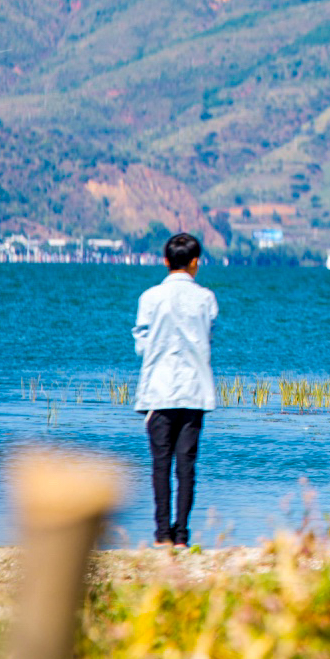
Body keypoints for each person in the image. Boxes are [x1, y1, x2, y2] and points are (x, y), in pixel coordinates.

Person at [133, 232, 218, 547]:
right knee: (186, 465)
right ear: (196, 262)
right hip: (195, 390)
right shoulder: (206, 298)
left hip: (158, 389)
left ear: (166, 261)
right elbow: (208, 336)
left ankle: (161, 535)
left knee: (160, 464)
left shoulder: (150, 297)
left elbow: (141, 343)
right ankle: (182, 535)